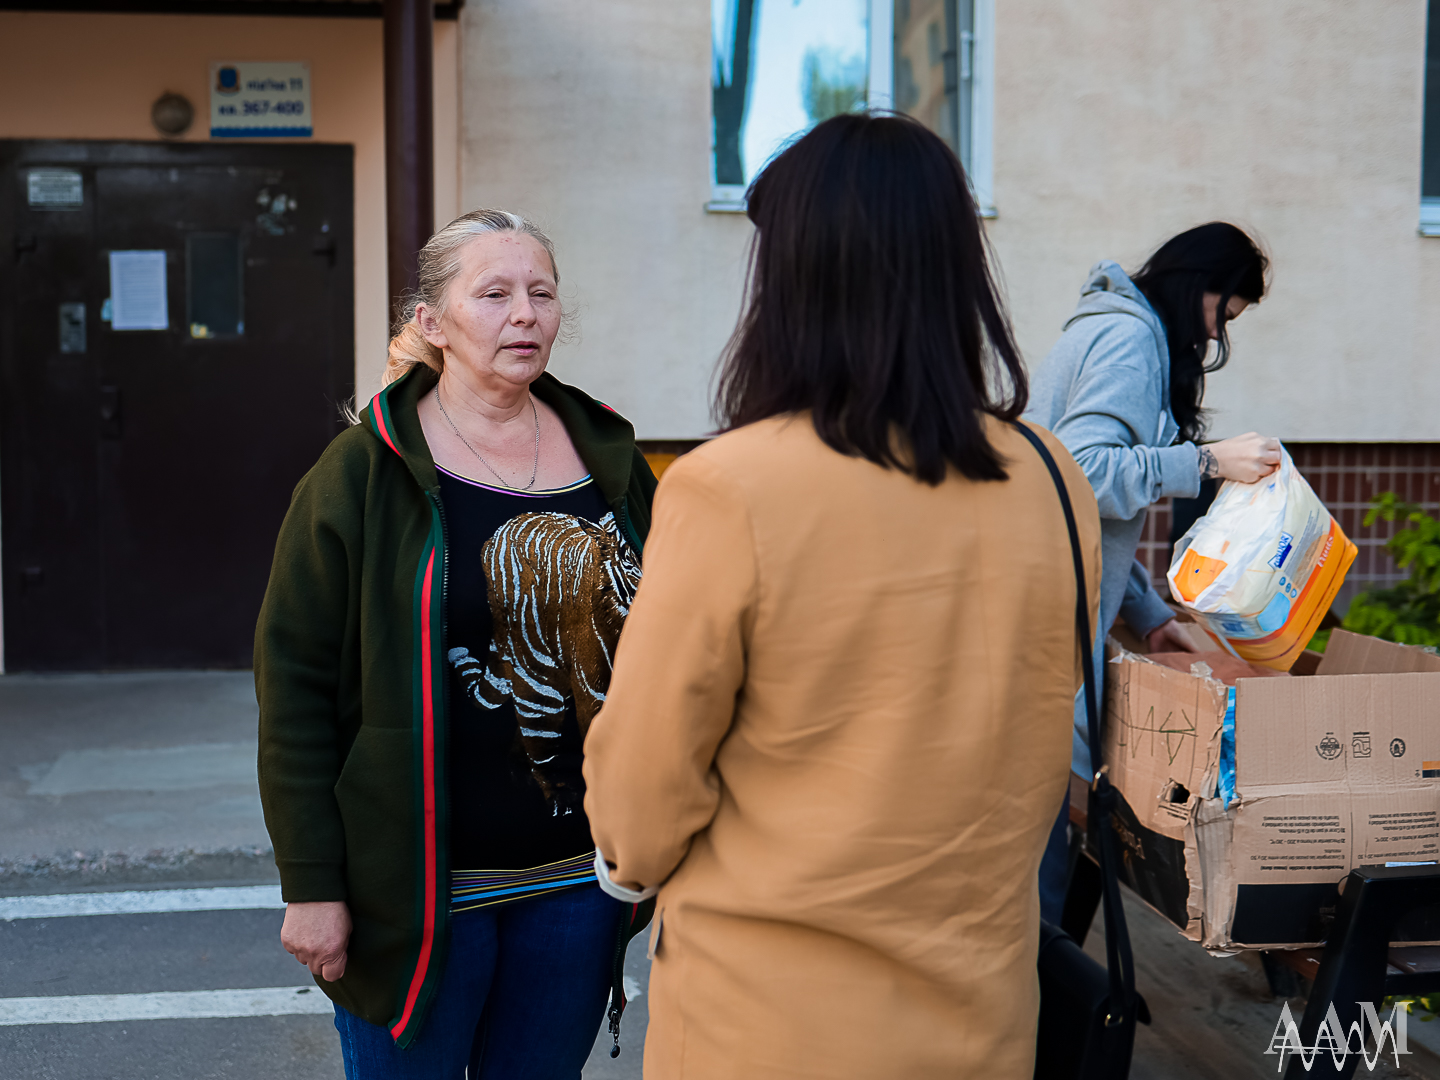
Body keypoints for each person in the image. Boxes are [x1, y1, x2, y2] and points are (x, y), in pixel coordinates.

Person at [581, 113, 1102, 1079]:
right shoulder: (1050, 475)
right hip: (984, 1014)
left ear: (797, 278)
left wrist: (630, 873)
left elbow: (641, 797)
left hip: (765, 1021)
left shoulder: (729, 486)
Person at [254, 208, 657, 1078]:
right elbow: (293, 691)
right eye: (495, 294)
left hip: (580, 884)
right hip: (415, 896)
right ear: (432, 323)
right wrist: (313, 884)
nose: (525, 314)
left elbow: (671, 649)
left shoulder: (612, 463)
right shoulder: (362, 472)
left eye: (541, 294)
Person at [1023, 221, 1279, 923]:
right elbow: (1081, 470)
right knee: (1032, 876)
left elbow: (1093, 520)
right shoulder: (1130, 340)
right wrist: (1204, 462)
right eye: (1222, 315)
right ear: (1201, 287)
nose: (1215, 338)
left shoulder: (1108, 329)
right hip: (1040, 629)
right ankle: (1035, 1020)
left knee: (1040, 852)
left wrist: (1149, 615)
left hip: (1039, 610)